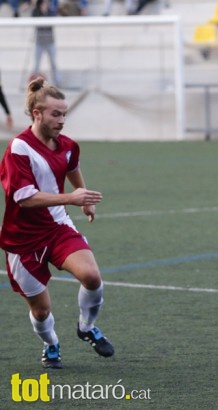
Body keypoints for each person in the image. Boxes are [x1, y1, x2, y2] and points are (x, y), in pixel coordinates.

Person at [0, 78, 114, 369]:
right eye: (55, 114)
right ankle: (51, 345)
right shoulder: (19, 149)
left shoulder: (68, 145)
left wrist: (84, 197)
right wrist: (70, 198)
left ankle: (86, 327)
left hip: (57, 228)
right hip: (22, 240)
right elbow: (24, 199)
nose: (62, 120)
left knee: (92, 276)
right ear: (37, 114)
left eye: (64, 114)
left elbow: (73, 167)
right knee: (41, 311)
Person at [32, 0, 61, 86]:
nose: (46, 5)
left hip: (50, 41)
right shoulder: (36, 12)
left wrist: (46, 12)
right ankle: (34, 83)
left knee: (53, 63)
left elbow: (51, 23)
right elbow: (35, 21)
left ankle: (58, 82)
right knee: (36, 64)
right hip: (39, 42)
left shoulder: (51, 12)